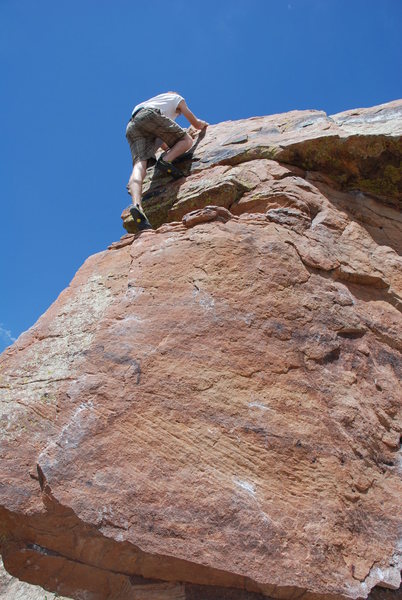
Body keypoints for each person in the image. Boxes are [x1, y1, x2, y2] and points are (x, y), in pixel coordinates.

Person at [126, 92, 208, 229]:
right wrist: (202, 125)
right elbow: (196, 124)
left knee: (139, 165)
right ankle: (165, 162)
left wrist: (169, 149)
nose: (179, 114)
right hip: (149, 115)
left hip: (132, 126)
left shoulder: (151, 102)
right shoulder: (176, 98)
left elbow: (163, 143)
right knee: (187, 140)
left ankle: (137, 205)